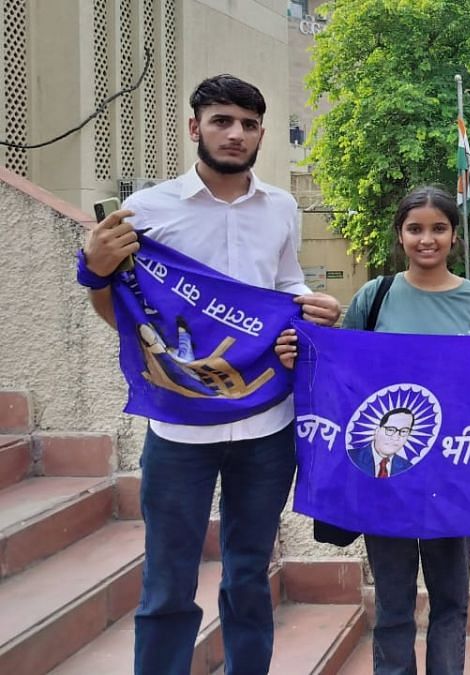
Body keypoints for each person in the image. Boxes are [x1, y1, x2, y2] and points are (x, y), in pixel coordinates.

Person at [79, 74, 342, 675]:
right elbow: (123, 312)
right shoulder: (145, 211)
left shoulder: (280, 206)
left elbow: (284, 285)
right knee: (169, 581)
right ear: (195, 127)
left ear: (261, 134)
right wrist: (96, 271)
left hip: (266, 425)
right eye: (222, 121)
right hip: (179, 431)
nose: (236, 133)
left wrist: (314, 307)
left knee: (249, 574)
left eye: (249, 124)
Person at [278, 185, 470, 675]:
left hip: (454, 482)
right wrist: (302, 355)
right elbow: (343, 375)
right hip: (387, 481)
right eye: (415, 229)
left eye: (438, 228)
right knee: (395, 606)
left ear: (453, 235)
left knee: (451, 605)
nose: (427, 239)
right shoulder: (373, 296)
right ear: (400, 235)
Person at [349, 407, 416, 477]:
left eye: (404, 431)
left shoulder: (409, 469)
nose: (396, 437)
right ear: (377, 430)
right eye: (390, 429)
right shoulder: (351, 457)